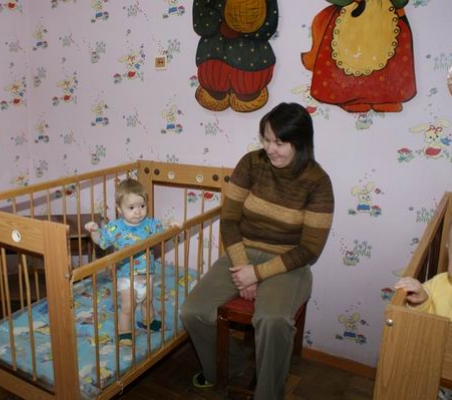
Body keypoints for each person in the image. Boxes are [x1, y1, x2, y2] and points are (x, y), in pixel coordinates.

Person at [180, 102, 335, 400]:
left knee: (273, 320)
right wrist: (243, 268)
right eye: (266, 139)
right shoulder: (251, 163)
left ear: (301, 142)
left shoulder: (318, 183)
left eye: (280, 142)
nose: (270, 148)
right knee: (193, 311)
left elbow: (310, 249)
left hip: (288, 263)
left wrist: (258, 274)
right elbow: (229, 220)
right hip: (243, 252)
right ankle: (229, 367)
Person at [85, 178, 166, 346]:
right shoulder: (115, 228)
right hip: (126, 276)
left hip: (147, 274)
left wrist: (173, 225)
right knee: (128, 307)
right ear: (119, 209)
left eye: (142, 206)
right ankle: (125, 332)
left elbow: (164, 232)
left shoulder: (150, 224)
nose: (138, 212)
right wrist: (94, 231)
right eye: (131, 208)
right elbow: (101, 241)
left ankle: (149, 321)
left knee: (147, 301)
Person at [394, 224, 452, 400]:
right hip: (437, 368)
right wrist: (422, 300)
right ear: (448, 248)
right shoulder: (439, 283)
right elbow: (417, 322)